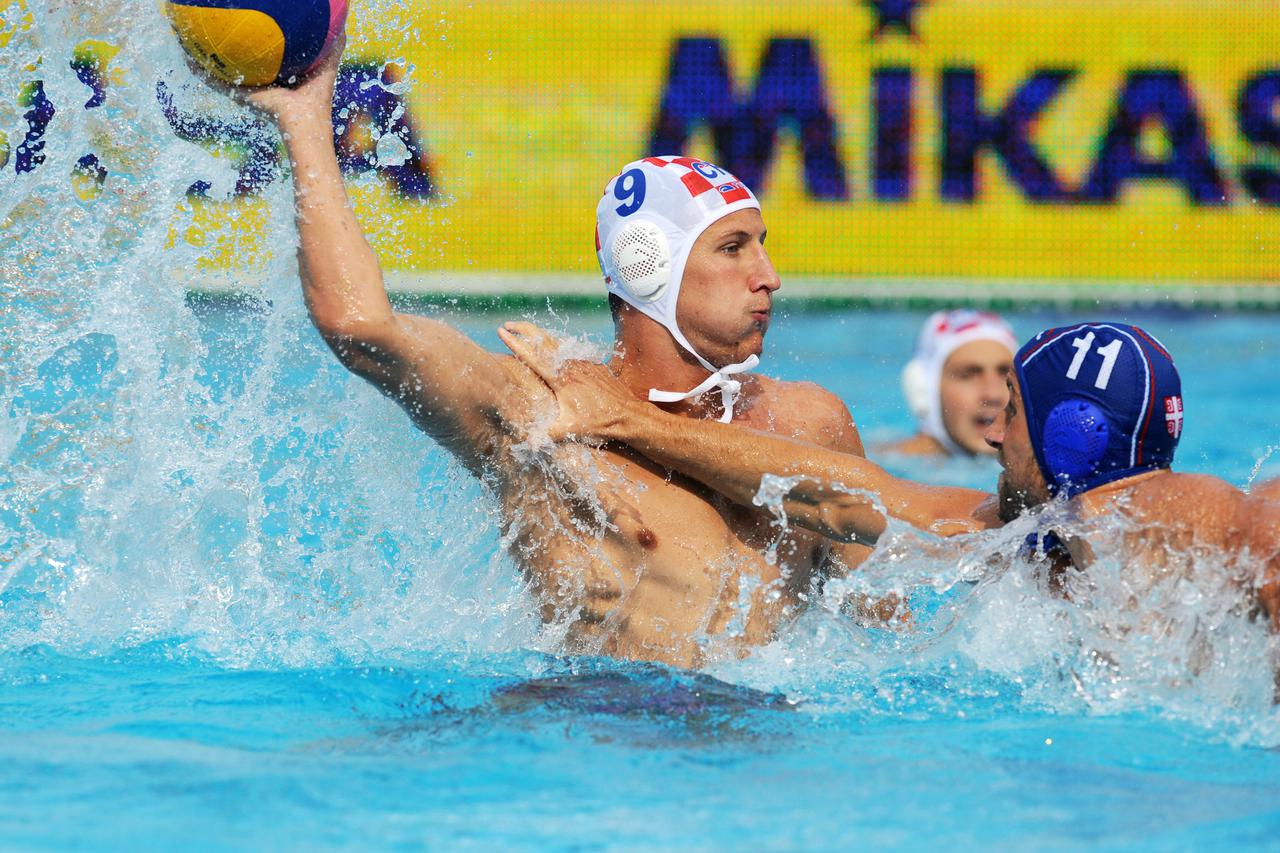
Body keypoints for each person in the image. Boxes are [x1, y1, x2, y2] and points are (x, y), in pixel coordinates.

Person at [242, 37, 874, 668]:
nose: (769, 275)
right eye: (733, 247)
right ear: (647, 264)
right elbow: (359, 327)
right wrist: (304, 120)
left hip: (758, 744)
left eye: (763, 245)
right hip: (598, 726)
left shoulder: (812, 423)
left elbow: (885, 635)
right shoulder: (538, 417)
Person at [499, 321, 1280, 632]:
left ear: (1073, 436)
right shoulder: (1031, 534)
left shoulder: (1156, 510)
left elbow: (1265, 528)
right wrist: (631, 421)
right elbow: (839, 493)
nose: (994, 429)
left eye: (1014, 410)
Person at [881, 309, 1017, 458]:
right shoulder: (882, 468)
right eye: (968, 375)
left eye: (1006, 374)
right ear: (924, 389)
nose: (993, 395)